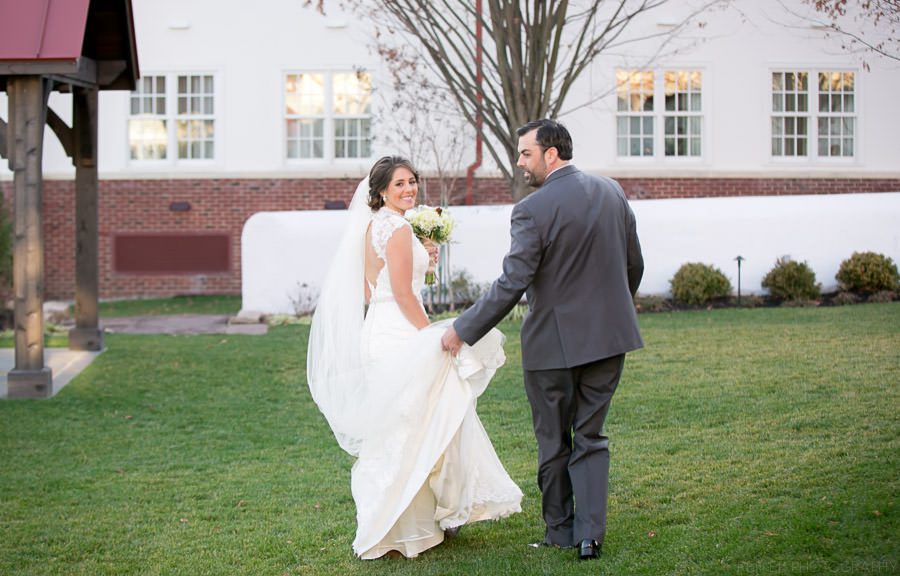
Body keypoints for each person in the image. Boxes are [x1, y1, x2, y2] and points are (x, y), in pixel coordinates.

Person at [441, 119, 644, 560]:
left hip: (552, 345)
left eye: (525, 154)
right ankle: (589, 538)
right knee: (591, 435)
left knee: (553, 440)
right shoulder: (613, 192)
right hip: (609, 340)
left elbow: (513, 281)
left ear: (551, 154)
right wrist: (614, 310)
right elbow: (634, 265)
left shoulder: (531, 209)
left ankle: (560, 530)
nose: (519, 163)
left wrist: (463, 328)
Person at [307, 155, 522, 560]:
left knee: (404, 426)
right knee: (424, 424)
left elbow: (375, 289)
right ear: (382, 191)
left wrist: (422, 262)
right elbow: (404, 295)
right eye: (400, 184)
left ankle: (416, 519)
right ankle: (414, 521)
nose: (409, 189)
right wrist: (430, 337)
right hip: (402, 334)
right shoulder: (399, 228)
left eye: (412, 182)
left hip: (379, 331)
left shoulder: (373, 227)